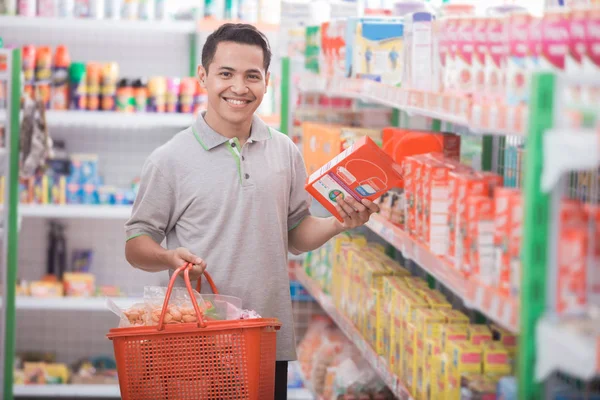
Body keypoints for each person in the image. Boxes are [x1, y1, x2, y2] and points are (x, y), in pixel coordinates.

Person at [124, 23, 379, 399]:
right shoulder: (169, 159)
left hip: (266, 336)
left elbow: (295, 233)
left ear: (267, 81)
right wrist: (166, 255)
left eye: (251, 76)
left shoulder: (285, 152)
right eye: (226, 73)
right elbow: (135, 244)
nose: (239, 88)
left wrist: (339, 222)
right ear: (203, 76)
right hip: (197, 341)